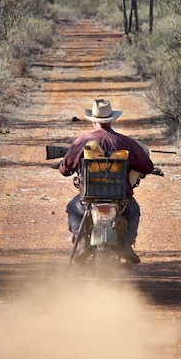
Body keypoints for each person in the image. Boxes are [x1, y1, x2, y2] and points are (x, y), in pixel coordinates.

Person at [59, 98, 154, 264]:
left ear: (94, 120)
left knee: (73, 209)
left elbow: (65, 169)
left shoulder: (82, 142)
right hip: (120, 198)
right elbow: (146, 166)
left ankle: (82, 243)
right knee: (133, 212)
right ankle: (126, 244)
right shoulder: (126, 142)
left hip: (90, 197)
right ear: (112, 120)